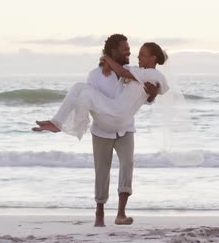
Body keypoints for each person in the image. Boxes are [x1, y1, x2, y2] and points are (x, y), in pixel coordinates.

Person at [32, 34, 167, 226]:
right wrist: (106, 62)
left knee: (127, 165)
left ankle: (121, 213)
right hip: (103, 126)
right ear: (113, 52)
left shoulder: (130, 71)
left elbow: (145, 93)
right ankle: (99, 216)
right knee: (101, 171)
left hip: (124, 125)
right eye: (125, 50)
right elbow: (88, 101)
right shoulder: (96, 75)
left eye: (134, 51)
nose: (130, 53)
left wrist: (152, 94)